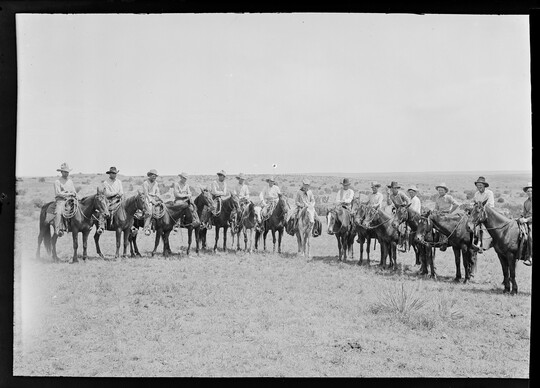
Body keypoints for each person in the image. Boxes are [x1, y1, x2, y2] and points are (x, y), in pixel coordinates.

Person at [433, 183, 460, 251]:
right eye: (439, 190)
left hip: (446, 215)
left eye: (442, 190)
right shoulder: (437, 198)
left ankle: (444, 242)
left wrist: (450, 212)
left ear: (445, 191)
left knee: (442, 226)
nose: (440, 191)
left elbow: (456, 204)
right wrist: (435, 211)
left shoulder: (449, 197)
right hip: (439, 214)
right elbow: (436, 207)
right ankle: (433, 240)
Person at [53, 163, 78, 237]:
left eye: (67, 172)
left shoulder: (70, 181)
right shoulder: (57, 181)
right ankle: (58, 229)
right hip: (61, 200)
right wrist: (68, 194)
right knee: (58, 212)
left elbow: (74, 190)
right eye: (65, 172)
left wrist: (75, 194)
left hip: (71, 199)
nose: (67, 173)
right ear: (61, 172)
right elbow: (58, 193)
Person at [471, 176, 495, 251]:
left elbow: (490, 205)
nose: (479, 187)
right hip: (478, 213)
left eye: (481, 185)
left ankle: (484, 244)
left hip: (487, 213)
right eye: (478, 186)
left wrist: (480, 207)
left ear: (484, 185)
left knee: (484, 227)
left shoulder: (489, 193)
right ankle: (473, 242)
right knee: (471, 224)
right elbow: (473, 202)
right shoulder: (476, 194)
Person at [518, 182, 532, 266]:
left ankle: (530, 257)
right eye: (528, 191)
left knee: (530, 236)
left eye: (531, 191)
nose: (529, 192)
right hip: (526, 221)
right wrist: (521, 217)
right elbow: (524, 213)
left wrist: (526, 219)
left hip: (530, 222)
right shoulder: (526, 202)